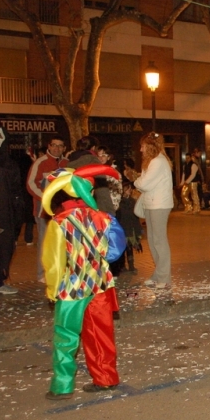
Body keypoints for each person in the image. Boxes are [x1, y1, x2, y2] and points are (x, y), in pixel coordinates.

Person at [40, 164, 125, 400]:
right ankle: (106, 378)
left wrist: (52, 289)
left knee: (66, 338)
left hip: (72, 289)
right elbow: (114, 252)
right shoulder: (102, 217)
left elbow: (55, 263)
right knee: (101, 335)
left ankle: (62, 386)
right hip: (99, 285)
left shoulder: (58, 223)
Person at [134, 133, 174, 289]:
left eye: (143, 145)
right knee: (152, 240)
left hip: (159, 205)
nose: (141, 149)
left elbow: (144, 184)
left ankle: (164, 278)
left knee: (159, 240)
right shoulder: (151, 162)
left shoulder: (158, 162)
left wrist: (136, 180)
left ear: (150, 146)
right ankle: (158, 275)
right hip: (151, 204)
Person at [26, 136, 67, 283]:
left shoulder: (66, 164)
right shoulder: (40, 163)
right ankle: (42, 273)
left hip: (63, 210)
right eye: (54, 145)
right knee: (45, 242)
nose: (57, 148)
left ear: (64, 148)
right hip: (43, 211)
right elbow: (31, 184)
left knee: (62, 242)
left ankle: (60, 270)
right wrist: (45, 197)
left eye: (60, 146)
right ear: (49, 147)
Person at [0, 126, 24, 296]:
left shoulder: (7, 165)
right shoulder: (8, 165)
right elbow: (16, 192)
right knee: (1, 249)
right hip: (3, 215)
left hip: (0, 214)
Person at [117, 180, 142, 272]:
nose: (130, 190)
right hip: (122, 227)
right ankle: (122, 266)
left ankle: (131, 265)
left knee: (129, 247)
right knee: (123, 248)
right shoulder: (119, 202)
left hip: (130, 228)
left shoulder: (132, 201)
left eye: (130, 189)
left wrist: (138, 229)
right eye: (128, 189)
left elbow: (136, 216)